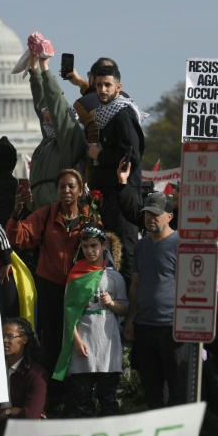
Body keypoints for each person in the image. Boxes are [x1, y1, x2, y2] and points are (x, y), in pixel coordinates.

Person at [6, 169, 91, 375]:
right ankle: (52, 396)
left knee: (80, 339)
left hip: (80, 287)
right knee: (52, 341)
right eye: (62, 187)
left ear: (80, 191)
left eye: (72, 186)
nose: (66, 190)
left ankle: (76, 393)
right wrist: (17, 212)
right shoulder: (45, 215)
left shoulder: (90, 217)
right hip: (50, 287)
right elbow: (19, 238)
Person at [53, 223, 128, 417]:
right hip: (83, 347)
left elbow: (125, 308)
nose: (90, 251)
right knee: (81, 402)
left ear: (104, 246)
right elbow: (68, 314)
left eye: (94, 246)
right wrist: (76, 341)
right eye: (85, 247)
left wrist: (111, 303)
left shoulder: (114, 277)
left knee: (109, 401)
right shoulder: (75, 276)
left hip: (108, 348)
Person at [123, 191, 185, 409]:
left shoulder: (182, 244)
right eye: (147, 213)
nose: (150, 218)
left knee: (177, 388)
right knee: (152, 390)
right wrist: (130, 319)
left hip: (172, 327)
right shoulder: (140, 246)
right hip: (145, 326)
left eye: (156, 213)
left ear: (169, 216)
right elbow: (136, 284)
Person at [87, 64, 146, 287]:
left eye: (107, 85)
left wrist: (100, 155)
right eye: (99, 84)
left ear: (118, 87)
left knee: (124, 254)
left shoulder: (122, 115)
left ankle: (128, 312)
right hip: (110, 198)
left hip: (123, 197)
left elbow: (132, 156)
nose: (102, 89)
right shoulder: (106, 115)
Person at [26, 54, 88, 208]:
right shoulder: (48, 142)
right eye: (45, 119)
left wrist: (45, 68)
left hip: (59, 213)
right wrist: (34, 71)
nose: (46, 121)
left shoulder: (69, 141)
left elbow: (57, 105)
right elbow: (41, 104)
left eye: (50, 118)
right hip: (40, 214)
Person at [0, 318, 47, 436]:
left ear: (24, 340)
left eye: (9, 336)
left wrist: (0, 413)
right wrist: (8, 411)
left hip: (22, 435)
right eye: (1, 336)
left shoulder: (36, 375)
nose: (4, 341)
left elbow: (30, 416)